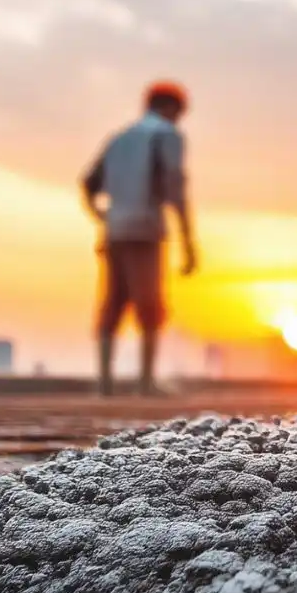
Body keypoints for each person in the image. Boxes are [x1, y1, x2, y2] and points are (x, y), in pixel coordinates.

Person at [82, 81, 199, 396]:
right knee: (150, 304)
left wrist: (104, 215)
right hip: (146, 227)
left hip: (116, 229)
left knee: (113, 302)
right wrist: (189, 241)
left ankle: (104, 383)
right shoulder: (166, 135)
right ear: (171, 108)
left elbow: (88, 184)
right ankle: (145, 383)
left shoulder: (119, 138)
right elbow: (175, 188)